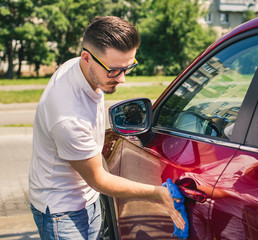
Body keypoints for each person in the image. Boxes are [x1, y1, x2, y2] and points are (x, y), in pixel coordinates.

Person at [29, 16, 184, 240]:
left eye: (128, 67)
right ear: (86, 58)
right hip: (62, 212)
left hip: (88, 199)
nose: (122, 80)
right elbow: (99, 179)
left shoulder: (81, 67)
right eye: (114, 71)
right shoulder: (68, 118)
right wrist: (157, 193)